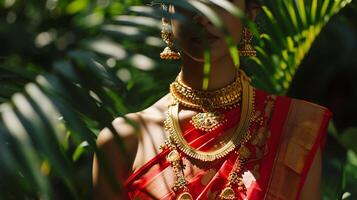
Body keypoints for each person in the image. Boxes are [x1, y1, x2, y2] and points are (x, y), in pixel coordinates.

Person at [92, 0, 332, 199]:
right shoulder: (124, 142)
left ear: (249, 13)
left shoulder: (294, 131)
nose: (203, 15)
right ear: (167, 13)